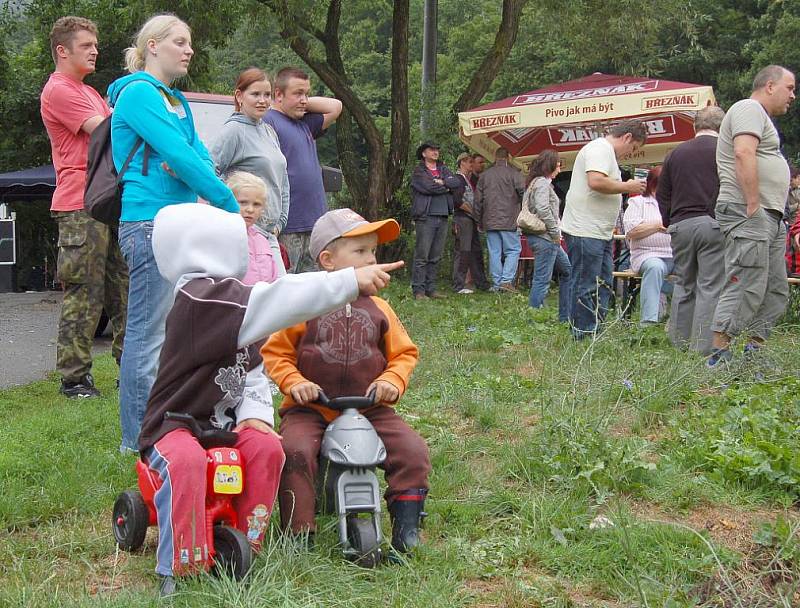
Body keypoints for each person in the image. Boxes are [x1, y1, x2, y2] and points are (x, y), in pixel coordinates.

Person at [139, 203, 402, 597]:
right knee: (186, 461)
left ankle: (246, 542)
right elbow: (277, 299)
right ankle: (181, 564)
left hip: (223, 424)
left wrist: (255, 414)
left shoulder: (230, 300)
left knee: (267, 449)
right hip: (175, 424)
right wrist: (348, 281)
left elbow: (254, 369)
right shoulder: (201, 300)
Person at [263, 208, 431, 555]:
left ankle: (407, 525)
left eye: (373, 251)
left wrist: (391, 381)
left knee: (412, 451)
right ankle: (298, 532)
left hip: (370, 407)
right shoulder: (304, 307)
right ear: (327, 260)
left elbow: (404, 353)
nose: (371, 259)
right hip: (311, 408)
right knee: (293, 451)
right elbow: (275, 353)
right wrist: (294, 382)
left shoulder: (381, 309)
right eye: (360, 252)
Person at [108, 14, 241, 453]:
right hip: (148, 222)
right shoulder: (137, 95)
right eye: (179, 42)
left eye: (190, 43)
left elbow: (199, 156)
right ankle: (137, 441)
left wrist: (201, 179)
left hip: (182, 224)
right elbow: (181, 156)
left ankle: (165, 427)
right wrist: (230, 206)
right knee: (147, 337)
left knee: (171, 332)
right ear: (152, 46)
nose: (188, 50)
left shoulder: (176, 100)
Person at [40, 16, 128, 398]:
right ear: (63, 51)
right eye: (86, 45)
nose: (95, 51)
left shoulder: (90, 91)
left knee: (125, 287)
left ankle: (135, 370)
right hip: (80, 203)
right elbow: (108, 131)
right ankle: (74, 379)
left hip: (109, 199)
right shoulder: (59, 89)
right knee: (85, 291)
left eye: (95, 44)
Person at [707, 65, 796, 367]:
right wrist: (754, 204)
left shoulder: (763, 118)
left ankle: (753, 356)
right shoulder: (749, 108)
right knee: (745, 281)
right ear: (770, 86)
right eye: (790, 88)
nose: (792, 96)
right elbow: (744, 152)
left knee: (774, 288)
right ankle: (718, 360)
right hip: (751, 212)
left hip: (770, 216)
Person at [561, 120, 648, 338]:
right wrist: (628, 186)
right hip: (585, 230)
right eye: (634, 148)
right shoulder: (599, 149)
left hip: (599, 232)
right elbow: (596, 181)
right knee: (586, 283)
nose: (631, 153)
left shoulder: (606, 153)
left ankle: (595, 328)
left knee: (603, 282)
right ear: (627, 137)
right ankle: (583, 332)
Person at [657, 105, 726, 353]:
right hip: (714, 223)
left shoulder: (675, 153)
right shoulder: (724, 151)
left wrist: (670, 221)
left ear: (695, 126)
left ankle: (679, 343)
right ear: (722, 126)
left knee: (684, 284)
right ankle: (703, 347)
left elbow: (662, 194)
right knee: (710, 286)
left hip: (681, 226)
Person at [264, 67, 342, 273]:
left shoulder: (304, 124)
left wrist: (303, 102)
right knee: (287, 291)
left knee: (313, 293)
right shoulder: (268, 121)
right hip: (287, 225)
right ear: (278, 94)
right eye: (298, 93)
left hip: (315, 223)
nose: (304, 99)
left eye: (307, 93)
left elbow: (336, 106)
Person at [211, 67, 289, 275]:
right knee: (249, 297)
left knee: (278, 295)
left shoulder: (269, 131)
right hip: (244, 234)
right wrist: (233, 213)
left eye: (267, 95)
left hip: (270, 233)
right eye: (255, 94)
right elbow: (210, 173)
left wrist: (280, 222)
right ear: (239, 96)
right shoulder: (233, 131)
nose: (262, 100)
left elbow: (282, 180)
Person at [523, 150, 571, 321]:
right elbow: (543, 208)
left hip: (542, 238)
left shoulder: (534, 182)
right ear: (550, 165)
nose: (559, 169)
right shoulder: (542, 183)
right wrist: (554, 231)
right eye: (558, 165)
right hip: (546, 238)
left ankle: (565, 315)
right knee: (542, 280)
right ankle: (533, 318)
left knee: (567, 271)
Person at [410, 142, 461, 299]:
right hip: (426, 217)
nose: (435, 152)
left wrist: (444, 182)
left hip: (443, 215)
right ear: (424, 154)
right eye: (432, 150)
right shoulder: (419, 171)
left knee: (435, 256)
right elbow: (428, 187)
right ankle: (419, 291)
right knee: (422, 255)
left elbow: (456, 182)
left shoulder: (443, 169)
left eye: (437, 149)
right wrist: (445, 187)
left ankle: (431, 289)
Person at [623, 166, 673, 326]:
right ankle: (649, 322)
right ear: (652, 184)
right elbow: (631, 231)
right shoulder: (638, 202)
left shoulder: (677, 202)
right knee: (655, 267)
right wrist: (659, 225)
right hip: (647, 255)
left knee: (694, 268)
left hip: (676, 254)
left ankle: (681, 323)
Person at [474, 148, 526, 293]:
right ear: (508, 157)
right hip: (509, 220)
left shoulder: (484, 175)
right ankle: (506, 281)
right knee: (513, 250)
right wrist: (524, 212)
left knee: (494, 252)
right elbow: (524, 194)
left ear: (495, 157)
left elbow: (477, 200)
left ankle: (496, 284)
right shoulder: (514, 174)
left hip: (489, 220)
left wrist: (478, 219)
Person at [227, 171, 281, 284]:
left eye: (256, 204)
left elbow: (274, 278)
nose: (250, 209)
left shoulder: (263, 240)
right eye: (243, 202)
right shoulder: (222, 237)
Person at [452, 152, 489, 294]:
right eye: (469, 162)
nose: (472, 165)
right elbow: (458, 201)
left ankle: (481, 283)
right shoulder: (457, 179)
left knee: (475, 251)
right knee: (463, 251)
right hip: (463, 219)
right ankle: (458, 285)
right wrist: (473, 213)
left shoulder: (467, 179)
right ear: (462, 163)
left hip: (470, 220)